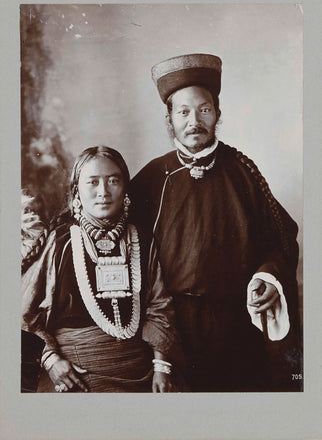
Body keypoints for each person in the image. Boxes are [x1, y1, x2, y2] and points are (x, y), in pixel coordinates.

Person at [129, 53, 302, 392]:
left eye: (204, 109)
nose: (194, 121)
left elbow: (280, 240)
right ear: (169, 119)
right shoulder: (153, 177)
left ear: (218, 114)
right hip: (171, 329)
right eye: (183, 112)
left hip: (235, 329)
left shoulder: (243, 172)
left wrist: (268, 275)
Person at [21, 146, 180, 393]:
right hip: (77, 374)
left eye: (113, 181)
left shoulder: (142, 240)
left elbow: (159, 306)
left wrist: (161, 365)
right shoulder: (60, 242)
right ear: (77, 191)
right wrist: (51, 360)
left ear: (125, 189)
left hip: (141, 372)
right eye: (92, 182)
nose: (103, 192)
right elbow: (24, 314)